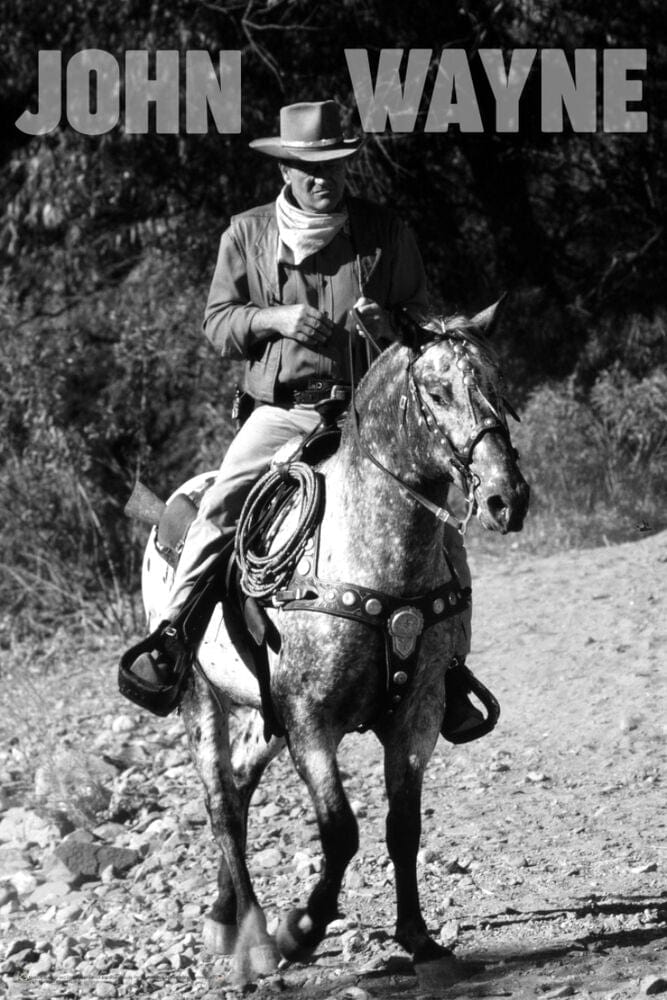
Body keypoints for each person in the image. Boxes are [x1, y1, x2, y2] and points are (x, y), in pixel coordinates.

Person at [124, 100, 485, 742]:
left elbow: (422, 316)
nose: (325, 177)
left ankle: (449, 670)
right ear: (286, 168)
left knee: (440, 518)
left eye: (337, 165)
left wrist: (391, 327)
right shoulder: (247, 234)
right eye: (310, 166)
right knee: (222, 504)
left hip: (370, 416)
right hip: (283, 408)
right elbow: (217, 323)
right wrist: (274, 319)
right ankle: (172, 638)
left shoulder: (384, 232)